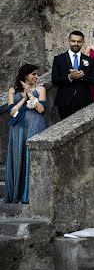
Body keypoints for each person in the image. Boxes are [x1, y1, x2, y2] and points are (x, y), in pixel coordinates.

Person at [4, 64, 47, 203]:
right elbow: (11, 112)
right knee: (18, 156)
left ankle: (29, 194)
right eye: (33, 74)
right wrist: (23, 99)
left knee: (31, 157)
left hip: (35, 125)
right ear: (25, 75)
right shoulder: (12, 90)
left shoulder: (41, 89)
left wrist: (30, 94)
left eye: (37, 74)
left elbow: (41, 109)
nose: (36, 77)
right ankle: (16, 192)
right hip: (18, 128)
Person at [50, 30, 94, 119]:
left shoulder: (89, 60)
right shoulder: (58, 59)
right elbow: (55, 80)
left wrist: (83, 76)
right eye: (73, 41)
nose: (76, 44)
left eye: (79, 41)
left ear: (83, 42)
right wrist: (69, 77)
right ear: (69, 41)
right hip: (65, 100)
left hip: (84, 100)